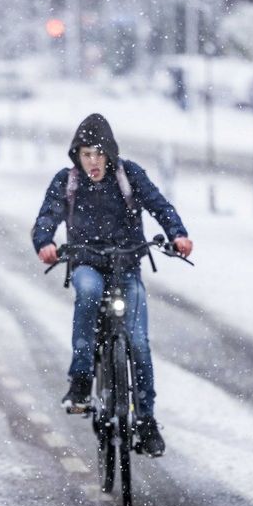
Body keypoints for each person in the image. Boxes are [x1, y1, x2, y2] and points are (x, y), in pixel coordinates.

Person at [30, 114, 193, 458]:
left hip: (126, 265)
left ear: (110, 155)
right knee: (87, 293)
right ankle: (80, 382)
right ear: (77, 154)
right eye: (86, 154)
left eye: (99, 154)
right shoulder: (68, 181)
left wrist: (177, 234)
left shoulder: (128, 175)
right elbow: (46, 217)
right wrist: (45, 241)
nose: (93, 162)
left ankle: (146, 421)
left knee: (139, 343)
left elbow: (159, 206)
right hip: (87, 263)